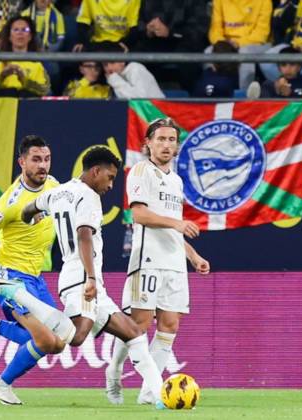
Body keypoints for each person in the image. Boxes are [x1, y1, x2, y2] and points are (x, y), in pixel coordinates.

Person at [0, 146, 167, 409]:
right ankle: (17, 294)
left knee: (133, 333)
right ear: (95, 171)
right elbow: (84, 235)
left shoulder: (58, 191)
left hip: (78, 275)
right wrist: (91, 277)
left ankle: (159, 396)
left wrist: (34, 219)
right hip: (82, 275)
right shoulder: (89, 197)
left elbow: (28, 209)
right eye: (110, 177)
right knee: (75, 337)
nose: (111, 184)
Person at [105, 118, 210, 405]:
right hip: (148, 260)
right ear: (148, 142)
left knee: (170, 325)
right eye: (160, 139)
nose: (166, 145)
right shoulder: (141, 171)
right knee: (137, 326)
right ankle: (113, 370)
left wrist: (193, 255)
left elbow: (173, 227)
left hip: (174, 263)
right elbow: (139, 215)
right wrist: (177, 224)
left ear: (177, 146)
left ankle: (149, 393)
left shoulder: (176, 181)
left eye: (171, 140)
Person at [0, 135, 67, 406]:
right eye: (36, 159)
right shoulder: (11, 201)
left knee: (58, 342)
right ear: (22, 162)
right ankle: (1, 384)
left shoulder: (54, 185)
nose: (42, 165)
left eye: (46, 159)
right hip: (10, 278)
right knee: (45, 340)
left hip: (35, 278)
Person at [207, 0, 271, 90]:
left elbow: (261, 35)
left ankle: (244, 94)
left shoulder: (264, 2)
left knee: (245, 53)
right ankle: (213, 91)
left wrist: (237, 43)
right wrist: (225, 44)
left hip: (256, 44)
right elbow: (215, 31)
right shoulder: (219, 1)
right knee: (208, 52)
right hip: (226, 43)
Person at [0, 16, 51, 97]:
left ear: (30, 37)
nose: (20, 33)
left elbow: (44, 91)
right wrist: (2, 76)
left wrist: (24, 80)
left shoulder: (37, 65)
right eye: (15, 30)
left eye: (25, 30)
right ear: (10, 37)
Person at [99, 42, 165, 99]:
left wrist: (115, 81)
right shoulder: (114, 77)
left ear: (122, 60)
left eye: (112, 62)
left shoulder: (135, 68)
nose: (109, 68)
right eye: (105, 64)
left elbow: (140, 101)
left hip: (157, 112)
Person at [73, 0, 141, 52]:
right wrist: (83, 42)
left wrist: (125, 44)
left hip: (122, 44)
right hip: (97, 43)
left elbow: (134, 27)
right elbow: (82, 23)